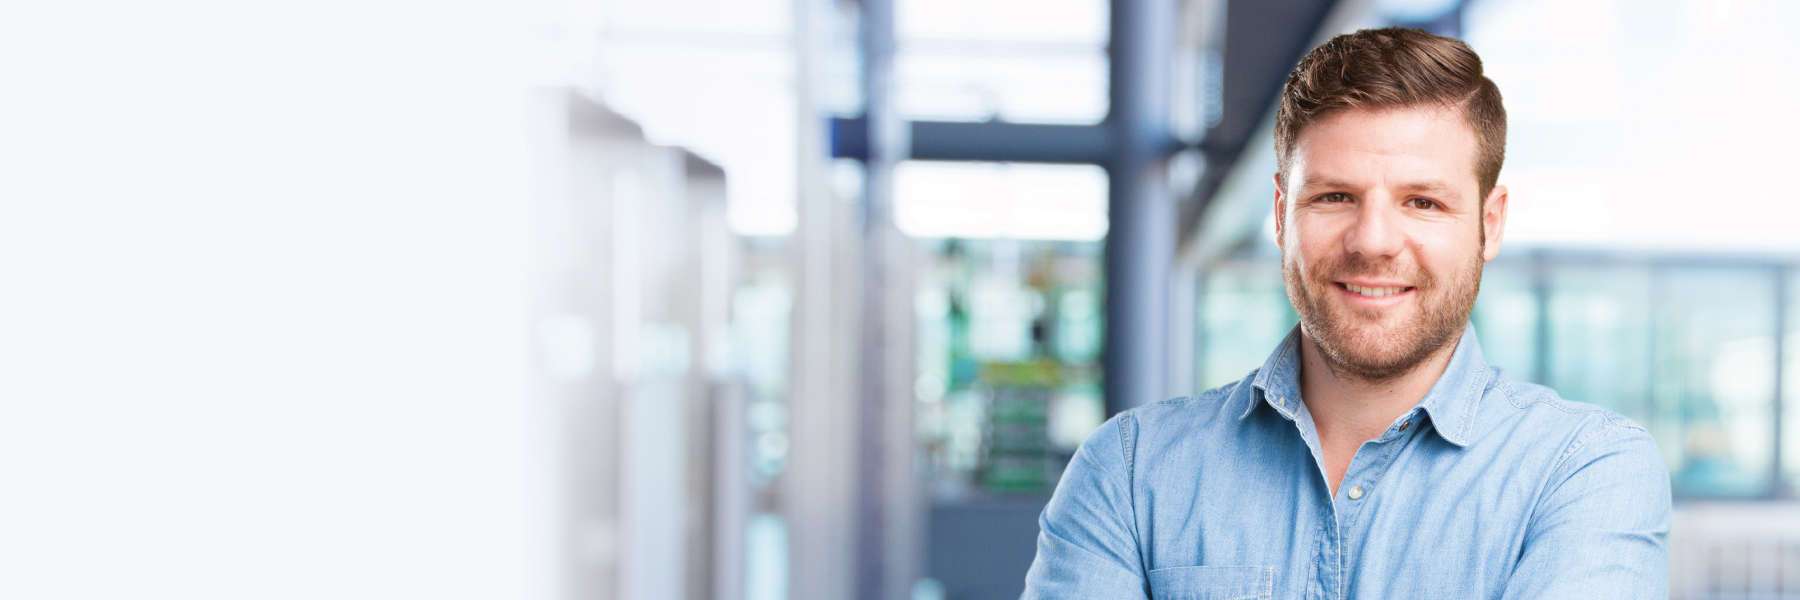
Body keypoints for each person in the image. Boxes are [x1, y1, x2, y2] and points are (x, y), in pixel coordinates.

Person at [1021, 27, 1670, 599]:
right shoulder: (1132, 473)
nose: (1374, 241)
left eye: (1423, 203)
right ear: (1281, 214)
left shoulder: (1583, 472)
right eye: (1335, 196)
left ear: (1489, 223)